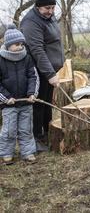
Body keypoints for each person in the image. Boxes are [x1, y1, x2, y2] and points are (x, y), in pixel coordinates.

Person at [20, 0, 65, 151]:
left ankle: (48, 132)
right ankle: (36, 139)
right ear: (38, 6)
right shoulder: (31, 22)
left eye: (53, 8)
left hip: (49, 69)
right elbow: (37, 50)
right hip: (38, 70)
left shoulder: (48, 17)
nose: (51, 11)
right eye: (47, 8)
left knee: (47, 104)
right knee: (38, 104)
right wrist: (50, 74)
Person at [0, 24, 39, 164]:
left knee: (26, 129)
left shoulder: (27, 58)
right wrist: (6, 98)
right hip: (9, 105)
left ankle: (28, 152)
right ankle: (6, 153)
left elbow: (33, 77)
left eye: (22, 44)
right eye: (17, 44)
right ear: (8, 45)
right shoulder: (1, 60)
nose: (20, 46)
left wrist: (32, 93)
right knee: (9, 130)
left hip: (26, 102)